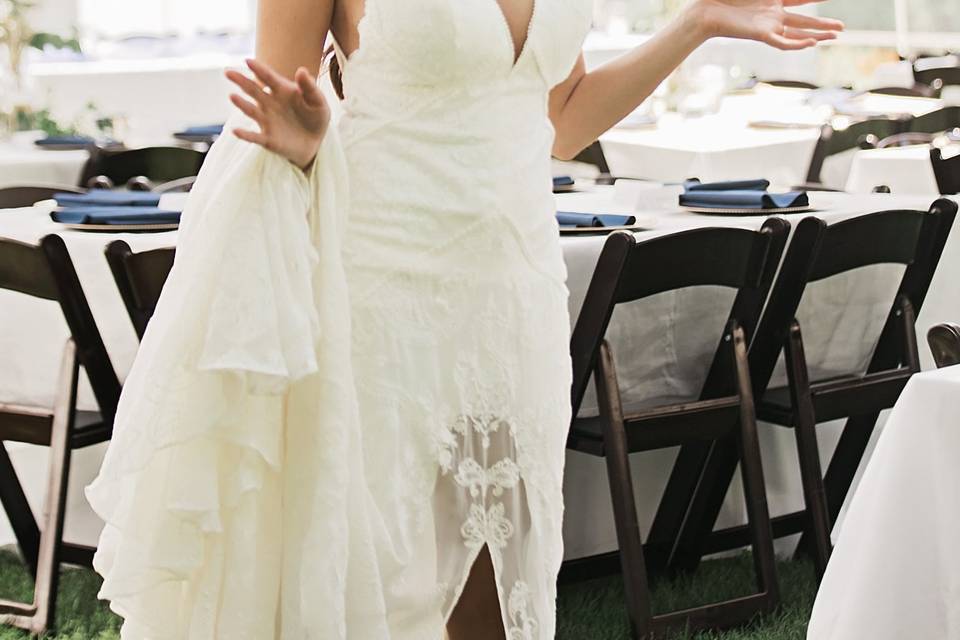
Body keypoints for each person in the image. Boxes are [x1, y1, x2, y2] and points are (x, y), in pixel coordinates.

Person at [85, 1, 842, 638]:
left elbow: (562, 125)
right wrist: (305, 147)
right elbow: (273, 118)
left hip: (514, 290)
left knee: (500, 578)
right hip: (381, 282)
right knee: (381, 572)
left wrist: (696, 22)